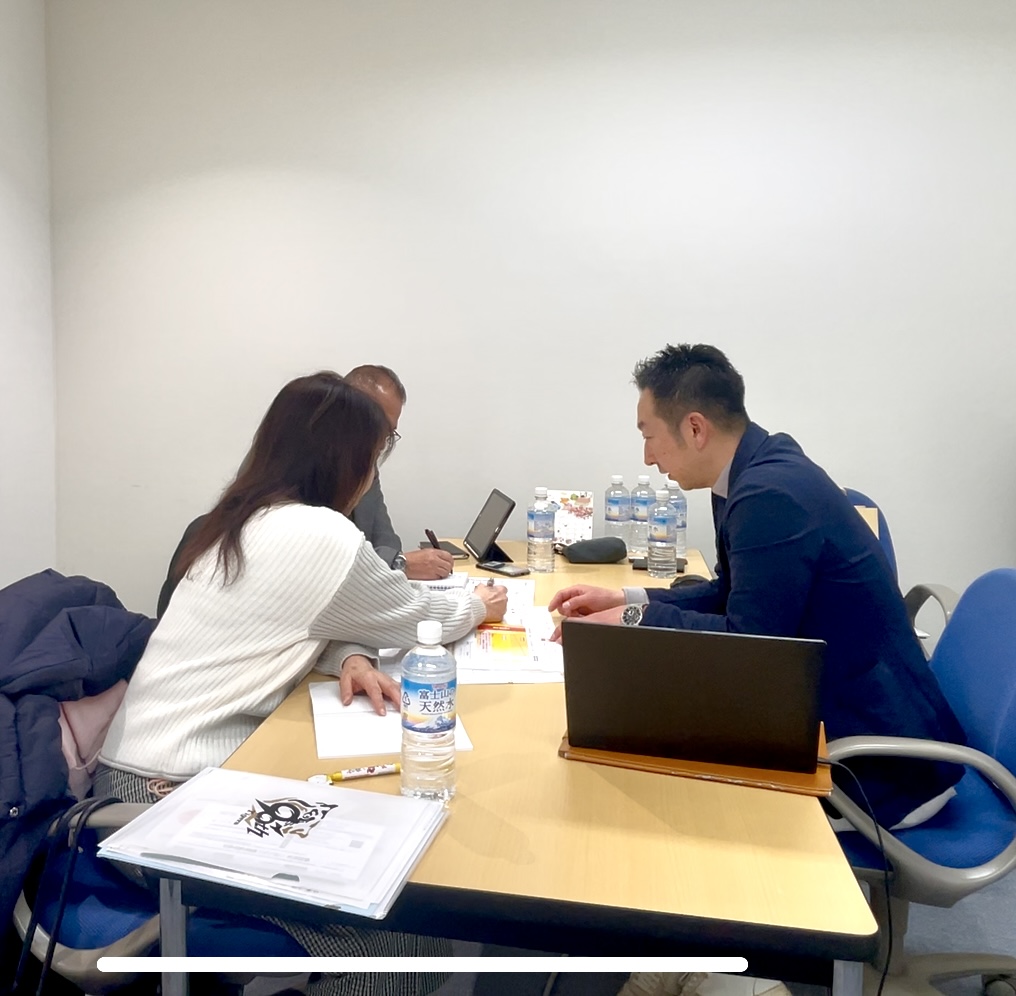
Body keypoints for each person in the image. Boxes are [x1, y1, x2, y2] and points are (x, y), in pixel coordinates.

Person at [97, 371, 507, 996]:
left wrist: (350, 656)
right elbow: (418, 616)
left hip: (133, 781)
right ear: (349, 460)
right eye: (376, 454)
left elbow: (317, 615)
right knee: (409, 946)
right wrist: (481, 604)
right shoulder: (321, 534)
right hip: (164, 801)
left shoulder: (243, 521)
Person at [549, 343, 966, 832]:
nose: (647, 455)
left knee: (654, 790)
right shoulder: (752, 467)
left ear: (695, 428)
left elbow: (749, 643)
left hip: (878, 765)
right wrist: (628, 599)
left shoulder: (769, 493)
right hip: (844, 717)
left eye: (649, 435)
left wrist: (634, 620)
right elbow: (733, 593)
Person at [155, 363, 451, 618]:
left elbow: (385, 538)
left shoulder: (361, 472)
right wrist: (397, 565)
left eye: (388, 434)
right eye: (378, 428)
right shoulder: (298, 516)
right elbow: (334, 585)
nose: (379, 443)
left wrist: (349, 654)